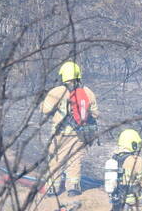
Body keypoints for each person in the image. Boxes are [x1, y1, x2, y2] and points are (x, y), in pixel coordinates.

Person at [41, 61, 99, 196]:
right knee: (75, 160)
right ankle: (73, 188)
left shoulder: (57, 92)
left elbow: (45, 110)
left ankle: (52, 189)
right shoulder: (88, 92)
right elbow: (96, 113)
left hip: (60, 133)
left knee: (56, 159)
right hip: (80, 134)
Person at [105, 128, 142, 211]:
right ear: (133, 144)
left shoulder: (114, 158)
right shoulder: (136, 160)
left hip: (116, 198)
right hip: (133, 199)